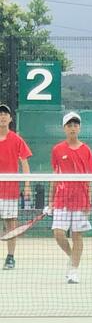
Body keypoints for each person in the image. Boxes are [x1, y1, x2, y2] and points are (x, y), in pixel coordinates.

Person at [48, 112, 92, 283]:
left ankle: (74, 270)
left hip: (80, 200)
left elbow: (90, 178)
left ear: (79, 128)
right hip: (61, 199)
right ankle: (71, 256)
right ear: (64, 128)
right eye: (69, 125)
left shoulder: (86, 150)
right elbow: (55, 175)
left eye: (75, 125)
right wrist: (50, 201)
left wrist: (88, 202)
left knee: (77, 235)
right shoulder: (57, 149)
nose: (73, 128)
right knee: (58, 233)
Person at [0, 104, 33, 270]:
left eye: (5, 114)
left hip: (10, 191)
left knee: (10, 224)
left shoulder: (17, 140)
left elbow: (24, 163)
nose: (2, 116)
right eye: (0, 114)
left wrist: (27, 185)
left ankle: (10, 257)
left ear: (10, 119)